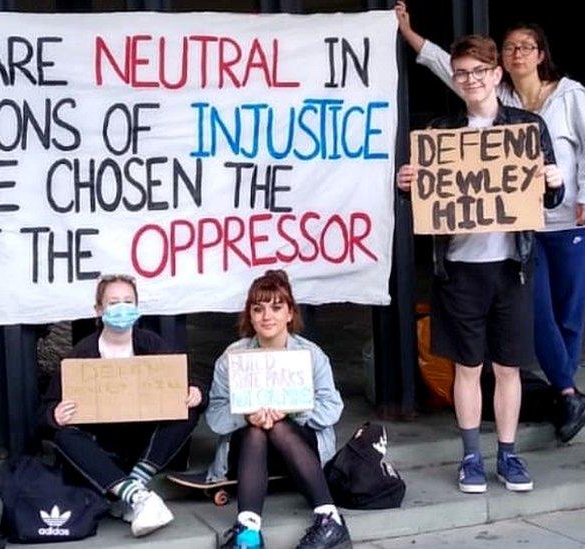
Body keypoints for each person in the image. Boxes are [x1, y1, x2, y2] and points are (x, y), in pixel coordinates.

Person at [396, 2, 585, 443]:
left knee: (569, 312)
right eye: (511, 47)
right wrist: (409, 34)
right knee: (538, 314)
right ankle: (567, 390)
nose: (518, 53)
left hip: (566, 218)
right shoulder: (492, 104)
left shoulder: (564, 99)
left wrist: (573, 191)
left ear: (540, 54)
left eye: (526, 47)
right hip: (518, 236)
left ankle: (562, 392)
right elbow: (451, 67)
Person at [39, 274, 212, 537]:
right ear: (99, 310)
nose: (121, 308)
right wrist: (55, 414)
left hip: (146, 446)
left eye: (128, 301)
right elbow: (44, 412)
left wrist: (196, 391)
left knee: (186, 406)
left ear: (137, 307)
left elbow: (187, 378)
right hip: (104, 448)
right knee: (64, 436)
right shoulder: (81, 354)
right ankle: (139, 497)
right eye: (113, 302)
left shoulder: (151, 344)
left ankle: (130, 490)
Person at [207, 270, 349, 549]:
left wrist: (295, 411)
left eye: (276, 307)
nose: (266, 316)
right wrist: (244, 416)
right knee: (257, 431)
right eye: (258, 309)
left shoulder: (311, 355)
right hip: (250, 454)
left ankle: (329, 519)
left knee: (280, 426)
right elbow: (214, 415)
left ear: (289, 313)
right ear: (249, 315)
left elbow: (333, 407)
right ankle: (248, 531)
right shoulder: (232, 358)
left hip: (299, 449)